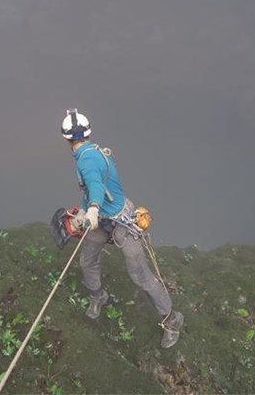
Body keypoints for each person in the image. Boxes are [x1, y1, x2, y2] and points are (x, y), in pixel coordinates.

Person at [60, 109, 184, 349]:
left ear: (66, 139)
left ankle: (172, 319)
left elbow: (95, 185)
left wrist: (93, 208)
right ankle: (98, 296)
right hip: (101, 218)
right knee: (87, 261)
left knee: (140, 274)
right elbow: (94, 187)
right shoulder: (95, 152)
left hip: (119, 220)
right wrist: (86, 211)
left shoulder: (86, 160)